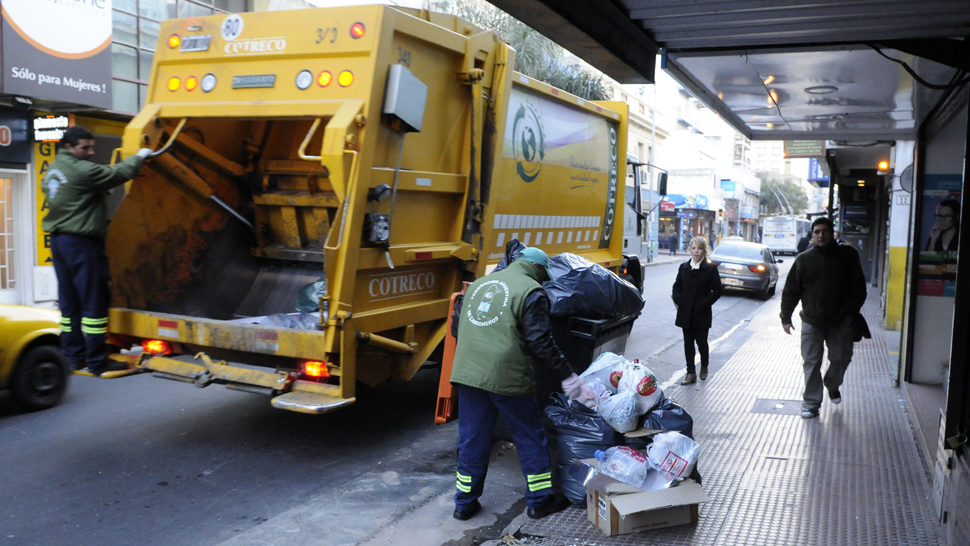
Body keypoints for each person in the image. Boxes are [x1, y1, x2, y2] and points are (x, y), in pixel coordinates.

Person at [449, 247, 574, 521]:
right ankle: (539, 502)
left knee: (472, 439)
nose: (544, 280)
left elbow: (456, 328)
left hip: (468, 373)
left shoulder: (478, 285)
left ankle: (464, 504)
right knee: (529, 437)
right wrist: (567, 374)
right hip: (506, 375)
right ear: (537, 267)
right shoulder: (531, 291)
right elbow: (540, 341)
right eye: (544, 274)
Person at [42, 126, 153, 376]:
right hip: (82, 243)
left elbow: (72, 195)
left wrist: (96, 193)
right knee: (94, 301)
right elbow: (120, 172)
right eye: (85, 147)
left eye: (92, 147)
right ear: (69, 147)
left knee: (69, 304)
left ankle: (73, 357)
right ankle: (97, 360)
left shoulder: (54, 168)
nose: (91, 152)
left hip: (59, 242)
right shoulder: (82, 170)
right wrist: (140, 157)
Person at [780, 217, 866, 419]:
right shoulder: (803, 260)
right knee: (811, 363)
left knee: (841, 358)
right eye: (817, 231)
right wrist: (786, 317)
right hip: (812, 321)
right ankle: (811, 402)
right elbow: (791, 290)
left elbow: (859, 288)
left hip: (841, 321)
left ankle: (832, 384)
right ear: (812, 235)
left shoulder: (848, 256)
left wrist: (850, 313)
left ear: (832, 233)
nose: (821, 235)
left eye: (825, 231)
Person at [671, 237, 723, 385]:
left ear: (704, 251)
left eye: (699, 249)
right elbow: (677, 286)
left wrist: (704, 303)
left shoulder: (710, 269)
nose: (696, 252)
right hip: (686, 312)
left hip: (701, 313)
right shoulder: (684, 267)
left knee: (701, 343)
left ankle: (704, 364)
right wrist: (679, 300)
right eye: (693, 248)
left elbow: (718, 290)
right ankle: (691, 373)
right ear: (690, 249)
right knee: (688, 344)